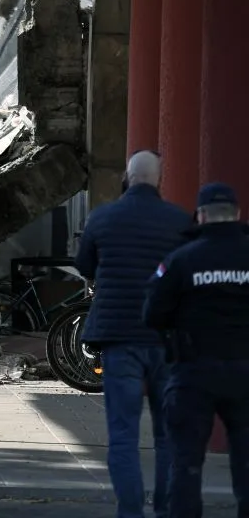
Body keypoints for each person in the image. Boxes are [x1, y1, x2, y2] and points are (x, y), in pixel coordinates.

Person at [75, 149, 190, 518]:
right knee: (166, 436)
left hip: (119, 339)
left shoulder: (102, 217)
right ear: (159, 179)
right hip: (165, 342)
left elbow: (84, 265)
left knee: (122, 434)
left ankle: (130, 512)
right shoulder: (179, 222)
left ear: (127, 177)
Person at [144, 182, 249, 518]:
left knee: (186, 463)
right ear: (237, 215)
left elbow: (153, 314)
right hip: (245, 372)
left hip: (193, 372)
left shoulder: (181, 260)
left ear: (200, 216)